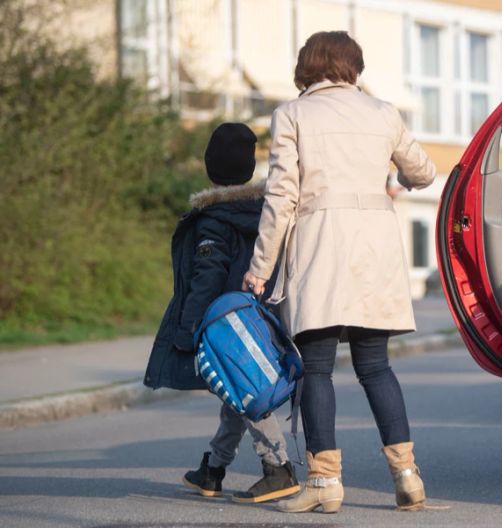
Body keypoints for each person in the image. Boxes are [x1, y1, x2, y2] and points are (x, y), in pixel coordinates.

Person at [242, 31, 436, 514]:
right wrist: (397, 180)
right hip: (376, 251)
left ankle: (325, 482)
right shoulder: (383, 112)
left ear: (307, 66)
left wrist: (259, 268)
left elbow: (281, 197)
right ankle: (407, 475)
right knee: (376, 366)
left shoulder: (292, 114)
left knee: (318, 369)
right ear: (354, 67)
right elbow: (425, 172)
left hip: (320, 249)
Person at [144, 123, 300, 505]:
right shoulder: (266, 212)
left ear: (211, 168)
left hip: (225, 322)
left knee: (246, 388)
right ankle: (213, 469)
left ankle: (278, 468)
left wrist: (189, 329)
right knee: (237, 394)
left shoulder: (214, 219)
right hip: (266, 313)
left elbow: (206, 278)